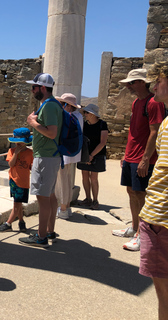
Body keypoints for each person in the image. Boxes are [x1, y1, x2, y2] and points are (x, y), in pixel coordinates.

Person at [112, 69, 165, 252]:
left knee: (141, 194)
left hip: (143, 158)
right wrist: (126, 154)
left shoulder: (153, 103)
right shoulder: (136, 103)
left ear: (142, 83)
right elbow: (134, 131)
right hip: (131, 156)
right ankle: (134, 228)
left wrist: (145, 159)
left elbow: (154, 131)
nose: (128, 86)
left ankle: (142, 235)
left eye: (132, 83)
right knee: (131, 191)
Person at [18, 73, 62, 248]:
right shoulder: (50, 104)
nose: (32, 90)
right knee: (50, 196)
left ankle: (41, 236)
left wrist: (32, 122)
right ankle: (49, 230)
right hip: (50, 156)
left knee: (42, 198)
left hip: (45, 157)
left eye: (34, 87)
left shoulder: (50, 106)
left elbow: (51, 133)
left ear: (42, 88)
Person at [138, 61, 168, 319]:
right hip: (158, 216)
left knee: (164, 290)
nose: (154, 86)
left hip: (161, 217)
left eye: (159, 81)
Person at [0, 127, 33, 233]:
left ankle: (8, 224)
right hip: (13, 180)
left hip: (23, 183)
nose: (18, 144)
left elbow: (32, 167)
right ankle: (21, 222)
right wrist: (16, 153)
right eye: (17, 142)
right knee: (17, 203)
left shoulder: (30, 153)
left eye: (20, 142)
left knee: (17, 204)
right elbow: (11, 164)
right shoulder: (11, 151)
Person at [54, 93, 84, 219]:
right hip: (73, 152)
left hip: (64, 153)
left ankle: (63, 209)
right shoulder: (79, 116)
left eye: (62, 103)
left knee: (61, 182)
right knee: (68, 179)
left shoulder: (67, 116)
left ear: (67, 105)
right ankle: (67, 205)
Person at [76, 104, 108, 210]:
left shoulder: (102, 124)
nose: (84, 114)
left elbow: (102, 142)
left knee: (94, 178)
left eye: (86, 113)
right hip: (85, 154)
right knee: (84, 176)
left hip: (97, 155)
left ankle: (95, 200)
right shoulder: (84, 125)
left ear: (93, 114)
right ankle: (88, 198)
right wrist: (86, 156)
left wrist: (91, 156)